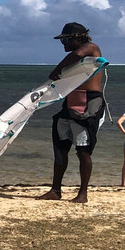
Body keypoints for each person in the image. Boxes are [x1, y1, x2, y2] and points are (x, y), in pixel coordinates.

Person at [38, 22, 104, 204]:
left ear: (77, 37)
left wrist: (57, 71)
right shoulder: (74, 60)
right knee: (60, 147)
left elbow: (77, 53)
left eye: (65, 39)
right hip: (70, 102)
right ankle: (55, 190)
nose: (63, 44)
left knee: (83, 151)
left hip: (89, 103)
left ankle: (83, 194)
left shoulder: (92, 48)